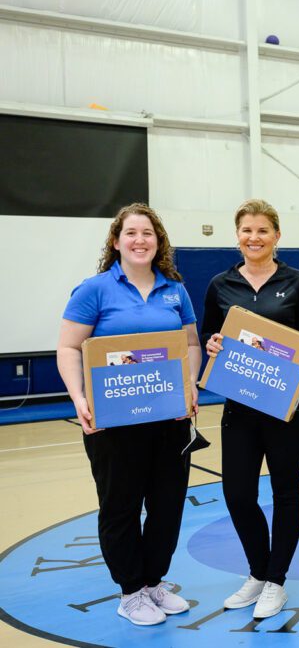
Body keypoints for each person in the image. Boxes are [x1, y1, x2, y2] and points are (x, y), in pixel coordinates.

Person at [56, 203, 201, 626]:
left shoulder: (174, 289)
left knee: (167, 504)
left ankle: (154, 581)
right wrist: (79, 397)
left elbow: (190, 343)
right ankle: (131, 592)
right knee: (120, 506)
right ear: (116, 242)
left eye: (148, 233)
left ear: (159, 242)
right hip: (113, 424)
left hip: (169, 420)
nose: (140, 240)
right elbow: (68, 348)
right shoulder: (94, 289)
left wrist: (189, 385)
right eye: (131, 233)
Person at [202, 199, 299, 619]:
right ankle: (257, 570)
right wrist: (212, 345)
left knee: (286, 491)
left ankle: (276, 581)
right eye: (246, 230)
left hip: (287, 407)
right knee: (237, 493)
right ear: (237, 236)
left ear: (276, 236)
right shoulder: (220, 285)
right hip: (239, 408)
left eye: (262, 231)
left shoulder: (298, 282)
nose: (254, 238)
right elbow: (209, 339)